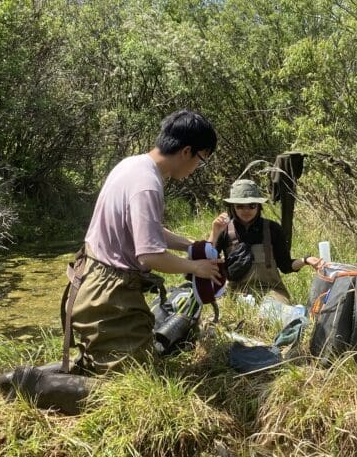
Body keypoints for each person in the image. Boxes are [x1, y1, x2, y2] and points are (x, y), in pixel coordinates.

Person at [67, 109, 222, 375]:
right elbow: (150, 257)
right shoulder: (148, 185)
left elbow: (147, 230)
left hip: (90, 278)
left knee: (115, 363)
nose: (196, 167)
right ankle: (33, 384)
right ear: (186, 151)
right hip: (108, 293)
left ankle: (57, 374)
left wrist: (189, 245)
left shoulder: (132, 165)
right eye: (201, 160)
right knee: (131, 379)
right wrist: (197, 268)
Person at [208, 178, 321, 303]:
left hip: (271, 291)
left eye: (252, 205)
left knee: (277, 313)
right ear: (232, 207)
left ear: (259, 205)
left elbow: (285, 265)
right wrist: (215, 232)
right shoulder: (224, 230)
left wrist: (306, 260)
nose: (246, 210)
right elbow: (207, 259)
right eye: (240, 206)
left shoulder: (273, 229)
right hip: (236, 291)